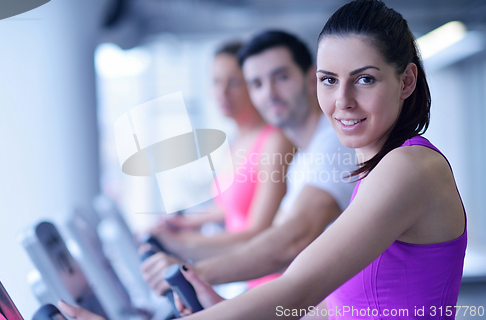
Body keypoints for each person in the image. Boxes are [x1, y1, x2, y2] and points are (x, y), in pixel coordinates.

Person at [60, 0, 467, 319]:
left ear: (407, 81)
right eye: (329, 80)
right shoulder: (374, 173)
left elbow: (297, 283)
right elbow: (333, 309)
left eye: (365, 79)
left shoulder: (409, 168)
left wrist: (196, 270)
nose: (342, 100)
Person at [141, 31, 356, 294]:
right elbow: (268, 240)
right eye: (257, 83)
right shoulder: (302, 160)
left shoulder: (335, 144)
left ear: (312, 78)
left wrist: (192, 271)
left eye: (281, 77)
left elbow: (291, 242)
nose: (270, 93)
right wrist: (179, 245)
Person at [141, 41, 294, 277]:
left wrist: (181, 242)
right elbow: (229, 206)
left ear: (253, 85)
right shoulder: (235, 141)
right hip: (244, 273)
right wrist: (184, 224)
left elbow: (258, 233)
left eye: (233, 82)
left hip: (268, 275)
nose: (222, 93)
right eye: (215, 81)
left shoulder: (275, 141)